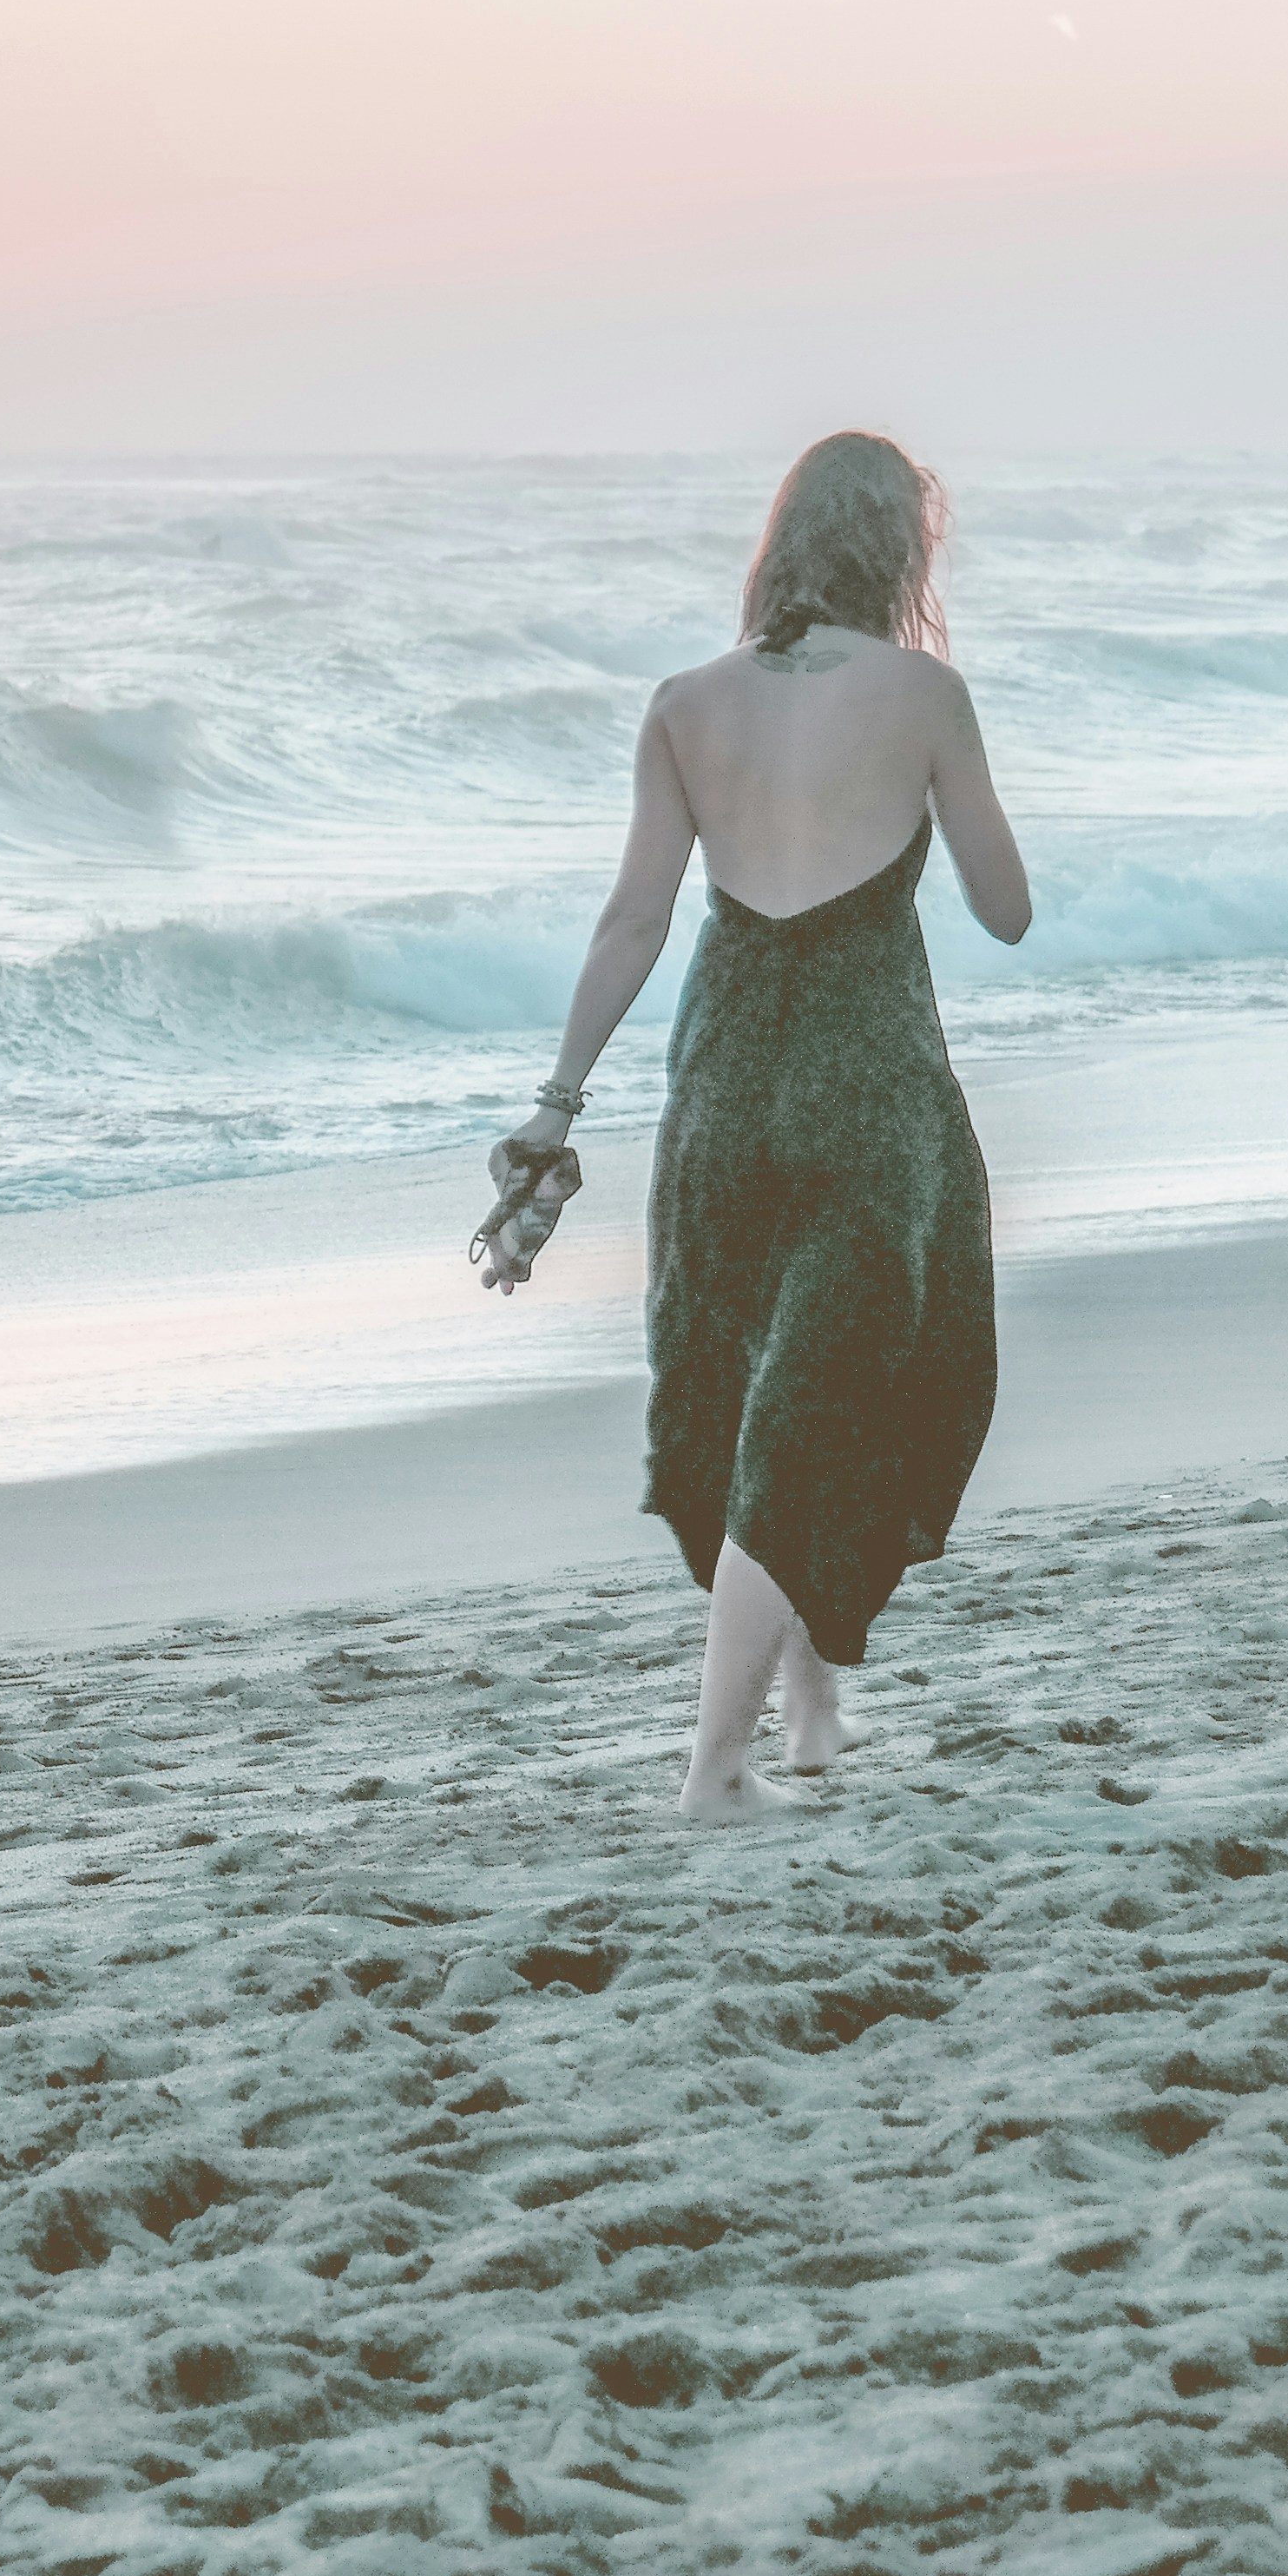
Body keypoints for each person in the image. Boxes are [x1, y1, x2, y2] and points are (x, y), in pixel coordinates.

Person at [478, 431, 1030, 1818]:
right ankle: (712, 1769)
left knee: (747, 1398)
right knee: (835, 1399)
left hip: (724, 1077)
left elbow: (633, 919)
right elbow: (1006, 907)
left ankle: (811, 1708)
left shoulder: (685, 703)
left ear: (778, 546)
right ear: (901, 552)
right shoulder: (924, 693)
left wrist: (556, 1102)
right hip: (869, 1082)